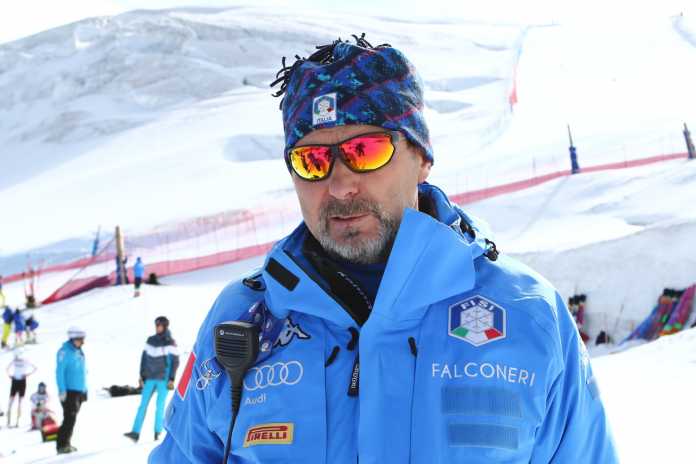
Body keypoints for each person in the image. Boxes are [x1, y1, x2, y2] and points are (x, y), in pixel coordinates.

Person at [150, 35, 618, 463]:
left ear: (421, 157)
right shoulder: (243, 320)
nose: (339, 185)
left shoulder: (528, 314)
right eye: (312, 161)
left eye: (366, 151)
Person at [124, 316, 179, 442]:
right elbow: (144, 358)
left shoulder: (170, 342)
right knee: (142, 405)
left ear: (165, 326)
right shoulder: (150, 340)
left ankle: (157, 432)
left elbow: (175, 361)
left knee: (160, 406)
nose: (157, 327)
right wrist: (142, 376)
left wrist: (172, 378)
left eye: (159, 325)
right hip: (150, 378)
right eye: (156, 325)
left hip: (163, 380)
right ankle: (135, 432)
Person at [55, 326, 87, 454]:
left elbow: (82, 371)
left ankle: (66, 443)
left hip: (78, 390)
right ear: (73, 339)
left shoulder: (78, 351)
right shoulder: (64, 352)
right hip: (69, 391)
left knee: (72, 419)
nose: (83, 342)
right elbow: (59, 372)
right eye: (81, 340)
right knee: (69, 418)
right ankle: (62, 445)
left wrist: (84, 389)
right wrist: (62, 390)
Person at [6, 347, 37, 427]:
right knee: (11, 401)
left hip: (22, 382)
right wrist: (10, 375)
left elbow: (35, 368)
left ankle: (17, 422)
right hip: (15, 381)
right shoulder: (14, 360)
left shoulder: (25, 361)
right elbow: (7, 368)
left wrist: (27, 374)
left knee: (20, 402)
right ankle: (8, 422)